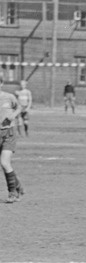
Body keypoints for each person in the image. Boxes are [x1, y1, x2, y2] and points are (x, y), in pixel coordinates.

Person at [0, 74, 24, 203]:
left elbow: (19, 107)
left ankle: (12, 193)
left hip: (8, 133)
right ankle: (18, 185)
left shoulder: (9, 97)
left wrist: (13, 115)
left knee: (4, 162)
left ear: (1, 83)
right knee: (5, 165)